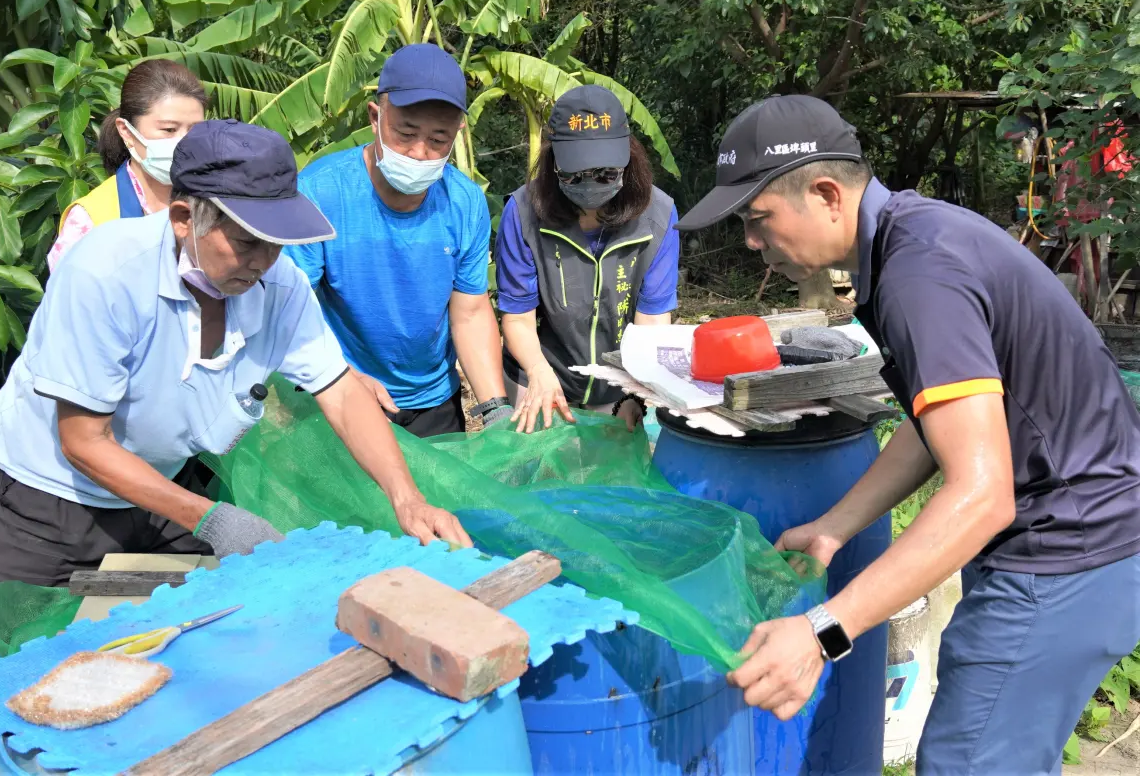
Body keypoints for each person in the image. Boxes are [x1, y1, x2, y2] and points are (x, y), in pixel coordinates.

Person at [675, 95, 1140, 775]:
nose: (752, 243)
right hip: (1080, 542)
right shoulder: (909, 242)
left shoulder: (920, 274)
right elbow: (937, 433)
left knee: (966, 762)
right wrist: (836, 526)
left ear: (828, 195)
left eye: (758, 219)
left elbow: (981, 496)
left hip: (1069, 552)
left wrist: (821, 631)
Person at [0, 119, 470, 612]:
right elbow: (83, 442)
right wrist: (212, 520)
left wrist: (407, 499)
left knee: (191, 628)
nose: (263, 261)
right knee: (14, 652)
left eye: (277, 243)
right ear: (185, 218)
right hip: (42, 498)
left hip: (156, 488)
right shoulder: (107, 273)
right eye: (248, 242)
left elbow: (339, 391)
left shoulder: (280, 285)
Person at [286, 44, 510, 438]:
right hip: (339, 388)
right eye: (405, 134)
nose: (420, 153)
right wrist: (341, 376)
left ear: (458, 132)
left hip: (434, 400)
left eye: (439, 140)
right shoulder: (319, 192)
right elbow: (287, 305)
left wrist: (495, 408)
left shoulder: (465, 202)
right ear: (376, 117)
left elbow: (470, 313)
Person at [496, 85, 680, 434]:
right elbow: (518, 318)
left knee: (609, 480)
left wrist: (634, 396)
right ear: (553, 162)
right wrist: (538, 372)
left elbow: (652, 324)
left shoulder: (658, 217)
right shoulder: (522, 213)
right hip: (540, 370)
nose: (591, 184)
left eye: (606, 174)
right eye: (574, 175)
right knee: (537, 476)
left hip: (616, 384)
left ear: (628, 157)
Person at [48, 59, 206, 270]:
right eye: (169, 130)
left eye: (195, 130)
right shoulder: (92, 219)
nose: (184, 142)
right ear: (127, 132)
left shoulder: (216, 197)